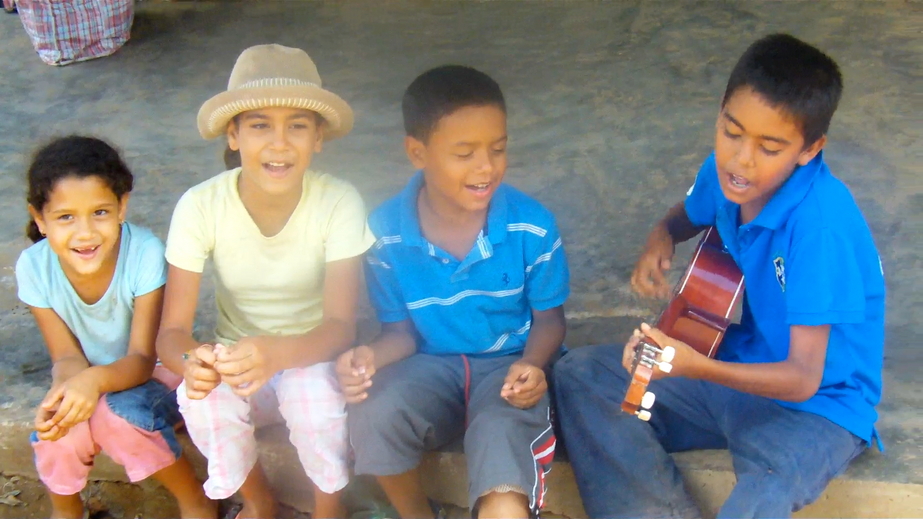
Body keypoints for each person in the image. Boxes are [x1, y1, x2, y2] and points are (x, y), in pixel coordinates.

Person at [554, 33, 885, 519]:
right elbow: (686, 214)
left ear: (809, 149)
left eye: (769, 147)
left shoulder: (821, 227)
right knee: (584, 377)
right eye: (732, 132)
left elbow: (801, 379)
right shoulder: (725, 173)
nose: (741, 159)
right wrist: (660, 236)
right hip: (733, 374)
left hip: (819, 408)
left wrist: (690, 365)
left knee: (763, 493)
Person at [338, 65, 569, 519]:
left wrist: (532, 364)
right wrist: (367, 359)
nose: (487, 167)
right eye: (464, 153)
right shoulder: (384, 233)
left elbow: (551, 321)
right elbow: (399, 333)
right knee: (374, 413)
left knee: (501, 432)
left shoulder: (531, 225)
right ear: (417, 152)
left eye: (498, 149)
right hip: (429, 366)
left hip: (509, 367)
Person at [155, 44, 373, 519]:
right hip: (237, 355)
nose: (279, 144)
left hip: (309, 352)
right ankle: (258, 500)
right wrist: (194, 362)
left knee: (315, 405)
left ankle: (328, 507)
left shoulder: (338, 202)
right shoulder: (200, 206)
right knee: (201, 402)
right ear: (232, 135)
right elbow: (171, 334)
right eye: (259, 126)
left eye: (297, 125)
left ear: (319, 138)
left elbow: (340, 326)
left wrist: (276, 353)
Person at [15, 136, 212, 519]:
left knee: (115, 416)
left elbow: (142, 358)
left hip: (157, 379)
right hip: (96, 382)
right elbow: (67, 357)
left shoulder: (145, 254)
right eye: (65, 217)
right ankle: (68, 511)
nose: (85, 232)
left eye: (100, 212)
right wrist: (68, 391)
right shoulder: (33, 268)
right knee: (59, 427)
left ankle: (196, 502)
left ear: (122, 206)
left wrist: (93, 383)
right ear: (40, 219)